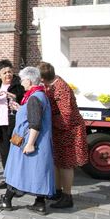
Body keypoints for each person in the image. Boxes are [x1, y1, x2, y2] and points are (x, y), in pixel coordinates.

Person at [0, 66, 55, 215]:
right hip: (38, 142)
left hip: (28, 142)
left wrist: (30, 144)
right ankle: (39, 203)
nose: (21, 82)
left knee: (17, 170)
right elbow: (33, 116)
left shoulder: (34, 98)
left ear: (30, 80)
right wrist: (20, 109)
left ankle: (6, 200)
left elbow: (35, 123)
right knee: (38, 172)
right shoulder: (38, 95)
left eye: (23, 79)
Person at [39, 62, 88, 209]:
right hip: (59, 131)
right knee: (57, 162)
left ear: (43, 78)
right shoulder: (51, 84)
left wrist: (47, 121)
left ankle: (67, 197)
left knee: (66, 164)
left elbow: (66, 115)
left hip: (69, 131)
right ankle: (57, 191)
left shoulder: (61, 88)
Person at [0, 59, 25, 189]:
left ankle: (18, 181)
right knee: (4, 153)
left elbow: (23, 99)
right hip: (1, 125)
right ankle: (7, 179)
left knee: (16, 152)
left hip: (15, 126)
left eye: (10, 72)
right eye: (4, 73)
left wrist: (13, 96)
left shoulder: (18, 84)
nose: (8, 75)